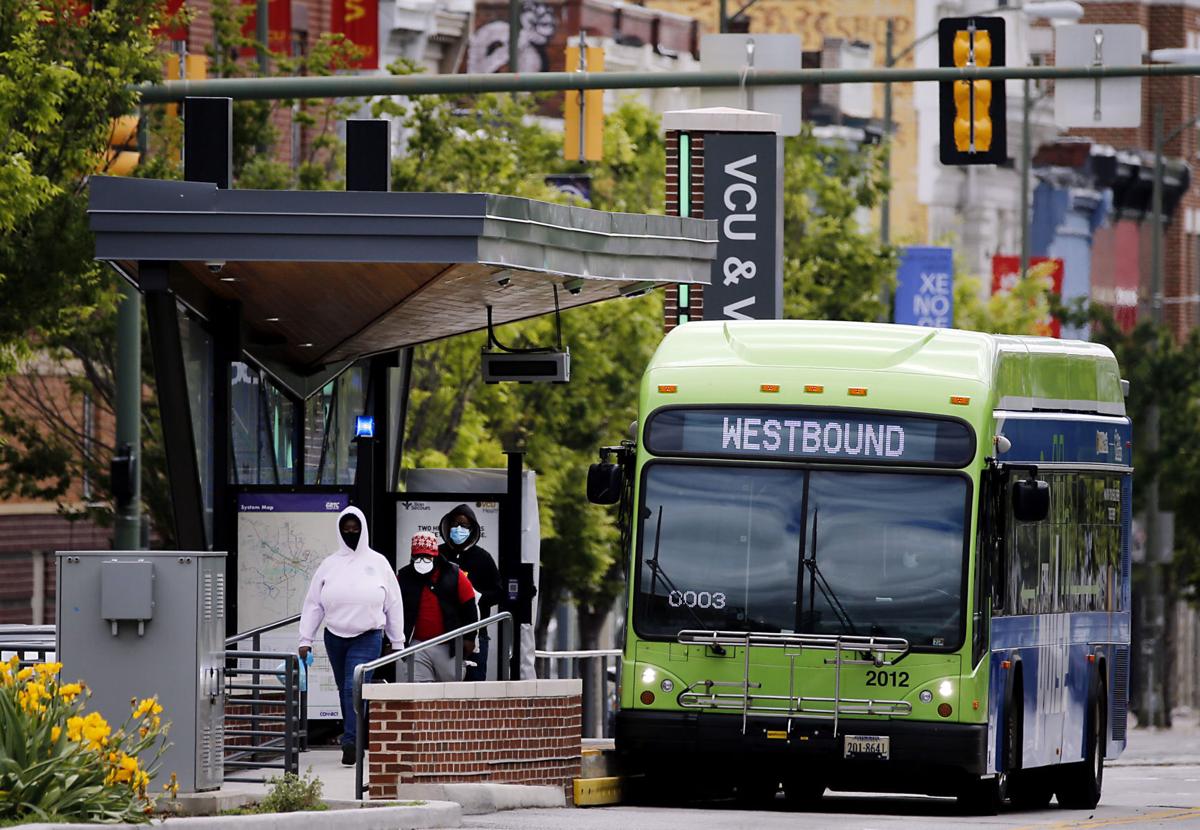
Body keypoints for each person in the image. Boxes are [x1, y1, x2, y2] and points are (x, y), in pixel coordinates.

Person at [298, 506, 403, 766]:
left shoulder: (379, 563)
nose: (351, 534)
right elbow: (313, 604)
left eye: (356, 529)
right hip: (334, 637)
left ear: (363, 530)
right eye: (346, 530)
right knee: (344, 688)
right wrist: (305, 640)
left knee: (351, 687)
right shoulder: (328, 564)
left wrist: (397, 640)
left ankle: (351, 742)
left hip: (368, 636)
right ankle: (354, 736)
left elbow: (394, 603)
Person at [397, 531, 479, 682]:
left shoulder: (454, 574)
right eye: (418, 556)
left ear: (435, 555)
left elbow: (469, 608)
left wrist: (469, 638)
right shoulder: (404, 577)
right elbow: (393, 609)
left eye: (427, 556)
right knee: (420, 694)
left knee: (450, 695)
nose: (422, 561)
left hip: (449, 646)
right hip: (417, 645)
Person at [439, 504, 503, 681]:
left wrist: (479, 597)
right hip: (441, 634)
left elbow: (499, 592)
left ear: (472, 529)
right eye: (455, 524)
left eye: (464, 526)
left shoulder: (483, 558)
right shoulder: (439, 555)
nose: (459, 529)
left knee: (474, 686)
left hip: (476, 635)